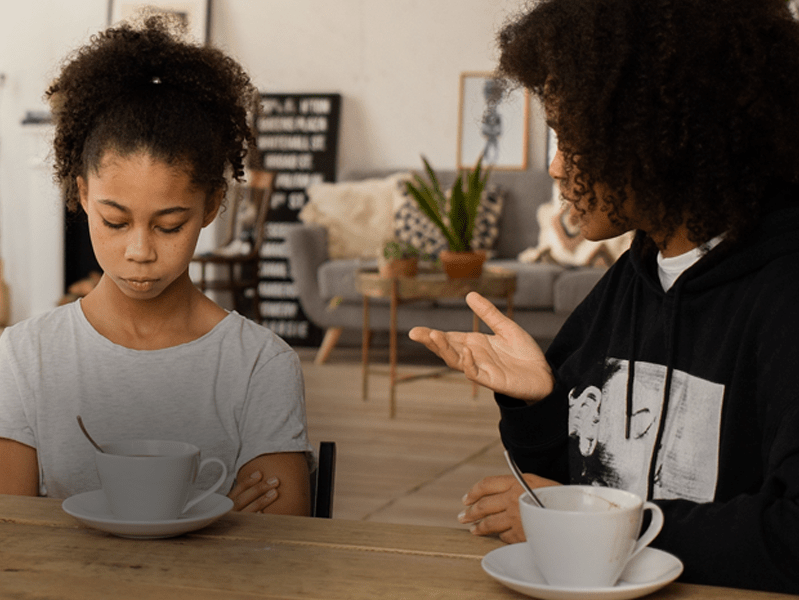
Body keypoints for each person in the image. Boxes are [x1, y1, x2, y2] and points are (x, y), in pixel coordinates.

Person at [410, 0, 799, 592]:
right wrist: (538, 402)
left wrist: (584, 523)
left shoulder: (783, 294)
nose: (558, 166)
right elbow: (570, 477)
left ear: (664, 136)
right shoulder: (632, 279)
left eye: (573, 137)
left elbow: (790, 536)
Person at [0, 14, 313, 516]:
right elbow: (12, 538)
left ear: (212, 205)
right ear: (81, 194)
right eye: (115, 221)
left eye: (169, 225)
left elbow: (277, 548)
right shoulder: (23, 357)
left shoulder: (260, 365)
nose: (140, 251)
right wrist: (212, 514)